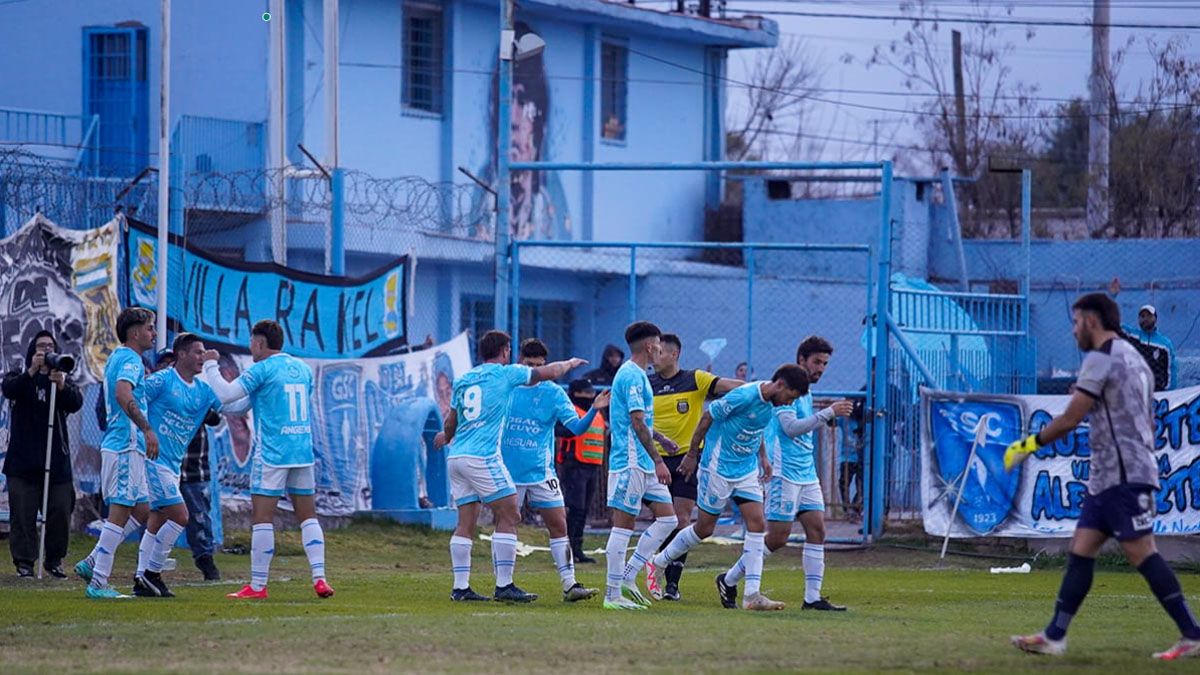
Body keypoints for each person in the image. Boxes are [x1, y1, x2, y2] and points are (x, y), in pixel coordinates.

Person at [1006, 293, 1200, 660]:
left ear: (1093, 321)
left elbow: (1069, 418)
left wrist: (1025, 445)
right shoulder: (1135, 360)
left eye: (1077, 321)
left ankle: (1193, 633)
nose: (1074, 329)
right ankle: (1054, 635)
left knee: (1142, 553)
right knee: (1081, 549)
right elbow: (1135, 412)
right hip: (1114, 473)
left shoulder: (1100, 358)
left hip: (1122, 474)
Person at [434, 330, 586, 603]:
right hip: (483, 457)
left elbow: (451, 421)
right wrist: (569, 364)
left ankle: (460, 588)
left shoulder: (465, 379)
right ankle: (504, 584)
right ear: (506, 352)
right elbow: (548, 373)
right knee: (510, 513)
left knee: (465, 521)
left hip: (456, 458)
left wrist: (446, 437)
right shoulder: (507, 375)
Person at [647, 365, 810, 611]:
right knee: (704, 528)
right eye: (791, 397)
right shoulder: (743, 396)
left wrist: (763, 457)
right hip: (717, 468)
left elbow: (755, 429)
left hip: (745, 470)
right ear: (781, 386)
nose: (790, 403)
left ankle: (752, 594)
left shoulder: (773, 402)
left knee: (757, 524)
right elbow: (706, 418)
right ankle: (658, 562)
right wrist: (692, 454)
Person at [200, 319, 333, 601]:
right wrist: (214, 404)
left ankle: (258, 586)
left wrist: (210, 365)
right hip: (301, 451)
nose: (250, 348)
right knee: (308, 516)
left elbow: (226, 393)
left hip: (273, 453)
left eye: (251, 342)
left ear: (259, 343)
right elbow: (238, 404)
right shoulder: (301, 369)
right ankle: (320, 579)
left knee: (262, 519)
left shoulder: (261, 369)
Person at [725, 336, 855, 611]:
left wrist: (824, 417)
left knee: (818, 529)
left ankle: (812, 598)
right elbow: (790, 428)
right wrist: (828, 414)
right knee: (778, 538)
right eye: (816, 362)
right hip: (783, 474)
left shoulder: (806, 392)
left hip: (806, 473)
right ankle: (729, 579)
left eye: (825, 363)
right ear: (801, 361)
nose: (821, 368)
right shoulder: (786, 390)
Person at [501, 338, 610, 601]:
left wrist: (593, 411)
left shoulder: (552, 392)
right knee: (507, 524)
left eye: (540, 366)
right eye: (530, 365)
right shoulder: (507, 386)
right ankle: (504, 585)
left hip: (541, 471)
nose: (536, 371)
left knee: (559, 523)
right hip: (507, 472)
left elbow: (574, 428)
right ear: (520, 362)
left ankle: (570, 585)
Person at [130, 334, 228, 597]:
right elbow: (133, 398)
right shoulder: (162, 380)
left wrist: (255, 393)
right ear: (181, 355)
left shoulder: (202, 389)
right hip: (153, 458)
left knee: (155, 518)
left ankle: (140, 578)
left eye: (204, 352)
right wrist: (145, 431)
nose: (202, 357)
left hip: (174, 464)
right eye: (198, 352)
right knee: (180, 516)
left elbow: (229, 405)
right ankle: (152, 572)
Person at [647, 332, 742, 601]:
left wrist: (759, 388)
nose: (654, 358)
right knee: (662, 521)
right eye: (652, 352)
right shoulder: (646, 383)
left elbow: (729, 385)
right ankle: (640, 572)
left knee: (680, 520)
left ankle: (672, 585)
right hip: (654, 459)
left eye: (659, 353)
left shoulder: (695, 379)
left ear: (674, 354)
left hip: (686, 460)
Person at [74, 307, 159, 599]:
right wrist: (147, 429)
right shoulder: (131, 359)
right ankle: (98, 582)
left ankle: (93, 560)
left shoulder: (120, 357)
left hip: (126, 446)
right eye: (150, 327)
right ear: (134, 332)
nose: (154, 333)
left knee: (143, 510)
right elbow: (124, 394)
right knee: (119, 513)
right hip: (124, 445)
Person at [600, 321, 679, 611]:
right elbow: (634, 421)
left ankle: (628, 575)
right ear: (649, 346)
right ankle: (611, 595)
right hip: (631, 463)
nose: (661, 350)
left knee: (669, 520)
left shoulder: (639, 376)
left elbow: (640, 420)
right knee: (623, 527)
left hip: (644, 462)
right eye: (659, 344)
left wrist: (660, 438)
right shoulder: (632, 376)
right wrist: (659, 460)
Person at [2, 331, 84, 578]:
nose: (46, 351)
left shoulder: (61, 379)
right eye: (41, 347)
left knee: (60, 509)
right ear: (32, 350)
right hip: (23, 462)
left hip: (56, 460)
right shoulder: (19, 375)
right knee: (23, 514)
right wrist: (32, 371)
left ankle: (54, 559)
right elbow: (10, 390)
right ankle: (24, 561)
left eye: (50, 346)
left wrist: (60, 385)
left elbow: (75, 402)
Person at [556, 379, 607, 563]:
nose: (589, 395)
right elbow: (560, 430)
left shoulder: (597, 412)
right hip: (574, 465)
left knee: (584, 509)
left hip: (592, 465)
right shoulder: (571, 411)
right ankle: (566, 549)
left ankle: (577, 549)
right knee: (575, 509)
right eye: (585, 392)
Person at [180, 399, 224, 581]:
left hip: (194, 465)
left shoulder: (200, 391)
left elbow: (215, 418)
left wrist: (196, 404)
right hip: (164, 463)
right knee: (154, 514)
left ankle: (205, 559)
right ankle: (147, 563)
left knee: (200, 517)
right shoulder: (161, 384)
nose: (201, 368)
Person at [1120, 304, 1176, 392]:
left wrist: (1170, 393)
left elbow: (1171, 370)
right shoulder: (1132, 336)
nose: (1145, 319)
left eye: (1149, 315)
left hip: (1158, 394)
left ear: (1155, 318)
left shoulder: (1165, 344)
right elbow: (1113, 325)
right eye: (1142, 316)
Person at [837, 396, 866, 520]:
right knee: (844, 483)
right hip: (847, 457)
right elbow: (830, 422)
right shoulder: (844, 418)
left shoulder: (864, 419)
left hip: (861, 457)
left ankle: (855, 508)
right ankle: (848, 509)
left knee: (862, 485)